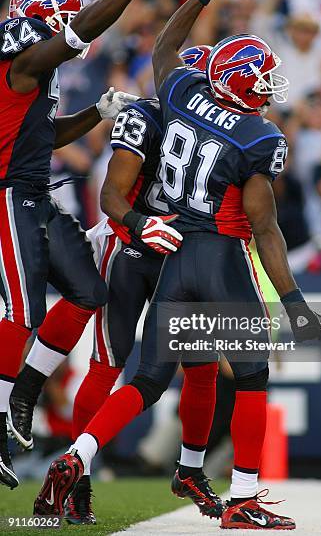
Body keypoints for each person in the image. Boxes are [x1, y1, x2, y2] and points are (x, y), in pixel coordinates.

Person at [34, 0, 321, 530]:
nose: (270, 91)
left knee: (149, 375)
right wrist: (292, 299)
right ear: (244, 86)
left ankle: (78, 454)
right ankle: (243, 497)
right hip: (218, 255)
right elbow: (264, 226)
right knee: (252, 374)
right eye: (264, 82)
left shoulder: (180, 93)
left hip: (173, 257)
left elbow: (167, 47)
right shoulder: (258, 139)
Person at [10, 46, 215, 524]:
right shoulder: (149, 118)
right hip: (129, 241)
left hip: (178, 252)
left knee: (193, 369)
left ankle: (187, 469)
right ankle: (77, 472)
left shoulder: (216, 127)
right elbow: (112, 196)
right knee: (109, 362)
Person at [0, 0, 176, 490]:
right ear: (45, 21)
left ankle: (25, 390)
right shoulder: (25, 61)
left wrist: (96, 115)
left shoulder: (38, 74)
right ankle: (2, 421)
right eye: (63, 17)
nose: (71, 25)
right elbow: (80, 33)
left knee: (88, 291)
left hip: (34, 191)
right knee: (23, 312)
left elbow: (45, 135)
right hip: (6, 194)